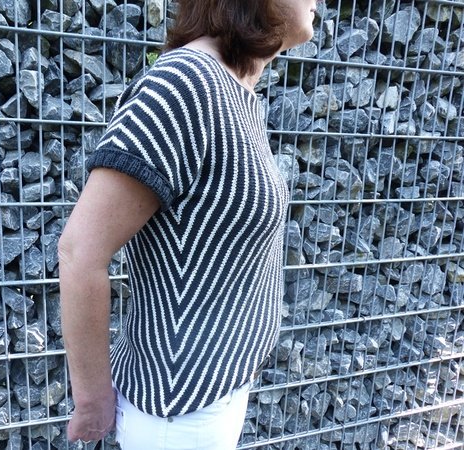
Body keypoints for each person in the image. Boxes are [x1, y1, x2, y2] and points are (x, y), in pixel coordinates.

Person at [58, 0, 318, 448]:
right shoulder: (186, 85)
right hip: (180, 414)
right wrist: (93, 398)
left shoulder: (233, 92)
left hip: (212, 395)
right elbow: (80, 252)